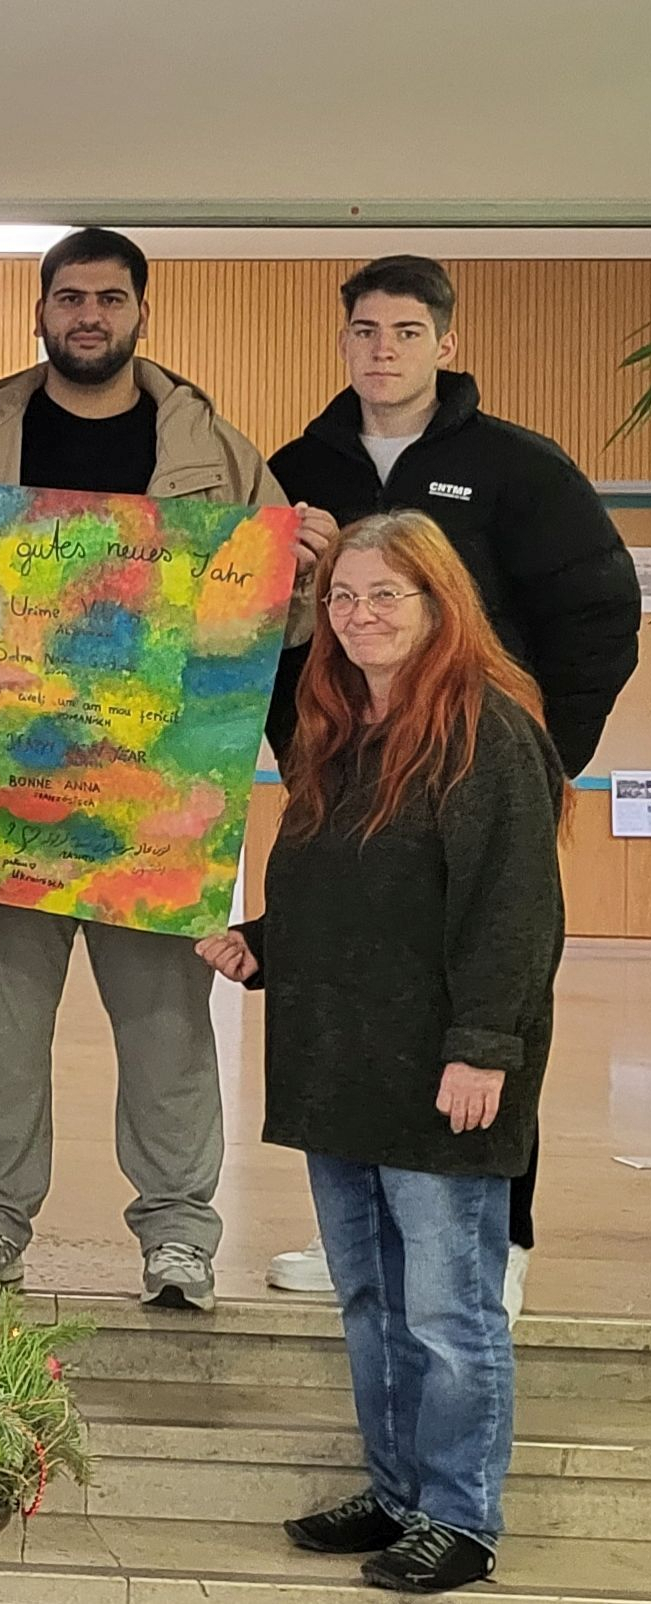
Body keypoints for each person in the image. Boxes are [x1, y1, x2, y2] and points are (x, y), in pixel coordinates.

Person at [0, 227, 315, 1312]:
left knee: (170, 1030)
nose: (88, 315)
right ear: (39, 310)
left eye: (109, 298)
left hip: (154, 804)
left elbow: (268, 616)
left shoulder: (215, 451)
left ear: (139, 312)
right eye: (69, 297)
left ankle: (177, 1232)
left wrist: (298, 568)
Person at [257, 255, 639, 1307]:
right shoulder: (295, 469)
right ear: (341, 342)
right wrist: (304, 748)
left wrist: (537, 751)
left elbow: (600, 609)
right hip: (346, 786)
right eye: (364, 330)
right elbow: (250, 632)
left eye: (405, 331)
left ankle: (498, 1239)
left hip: (473, 778)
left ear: (444, 343)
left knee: (488, 996)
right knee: (351, 1001)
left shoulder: (517, 466)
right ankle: (361, 1235)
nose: (382, 350)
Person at [197, 510, 565, 1595]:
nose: (356, 617)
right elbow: (352, 889)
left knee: (449, 1310)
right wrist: (262, 944)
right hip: (341, 1063)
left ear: (437, 603)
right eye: (342, 597)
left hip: (443, 1069)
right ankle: (397, 1489)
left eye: (383, 596)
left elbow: (510, 910)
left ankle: (460, 1515)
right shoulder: (337, 728)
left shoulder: (487, 730)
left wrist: (482, 1046)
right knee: (369, 1297)